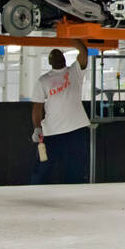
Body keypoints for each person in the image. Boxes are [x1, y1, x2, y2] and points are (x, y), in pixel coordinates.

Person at [31, 41, 91, 184]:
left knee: (76, 168)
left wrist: (72, 38)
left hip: (76, 128)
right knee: (44, 167)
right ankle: (36, 193)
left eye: (58, 55)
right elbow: (37, 107)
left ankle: (75, 194)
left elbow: (84, 52)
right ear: (50, 62)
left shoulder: (74, 72)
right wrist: (37, 127)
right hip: (52, 132)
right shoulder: (43, 81)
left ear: (64, 59)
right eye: (53, 56)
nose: (56, 58)